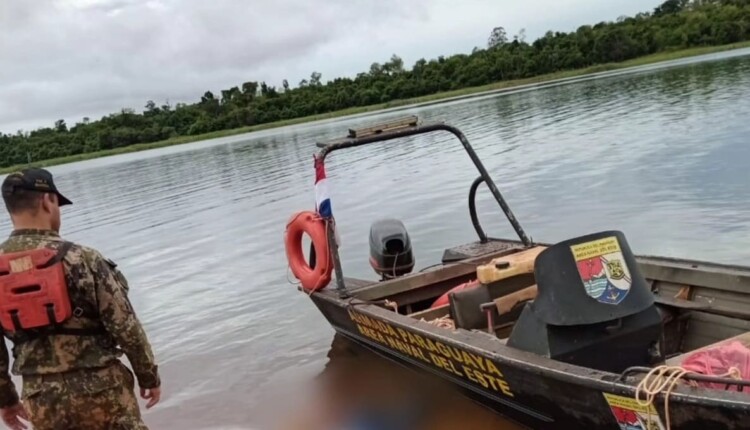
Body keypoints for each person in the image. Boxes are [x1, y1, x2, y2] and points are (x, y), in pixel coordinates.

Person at [0, 168, 162, 430]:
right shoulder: (83, 259)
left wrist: (6, 399)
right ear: (47, 201)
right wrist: (148, 377)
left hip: (42, 399)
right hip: (104, 391)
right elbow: (126, 327)